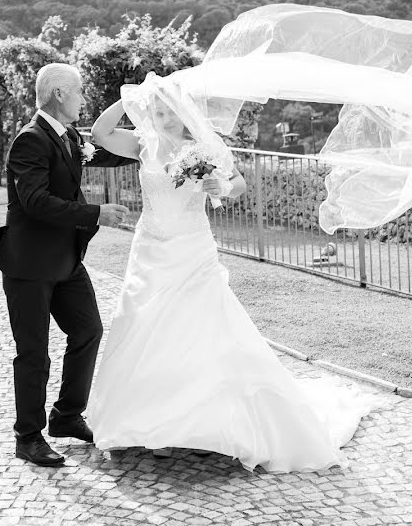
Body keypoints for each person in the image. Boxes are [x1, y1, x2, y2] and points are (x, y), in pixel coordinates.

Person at [85, 89, 380, 473]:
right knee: (143, 326)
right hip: (151, 250)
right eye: (155, 111)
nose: (161, 117)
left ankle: (202, 422)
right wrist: (131, 97)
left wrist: (220, 188)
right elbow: (99, 132)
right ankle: (151, 424)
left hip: (192, 248)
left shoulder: (206, 146)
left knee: (200, 328)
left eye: (167, 111)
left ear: (183, 111)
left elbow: (237, 183)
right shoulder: (144, 144)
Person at [0, 63, 137, 467]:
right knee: (34, 353)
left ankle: (66, 417)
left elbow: (108, 153)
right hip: (30, 264)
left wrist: (157, 143)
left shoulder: (66, 136)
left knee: (88, 330)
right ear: (60, 95)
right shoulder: (30, 140)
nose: (84, 98)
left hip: (66, 261)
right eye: (80, 91)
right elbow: (34, 201)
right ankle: (27, 437)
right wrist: (94, 212)